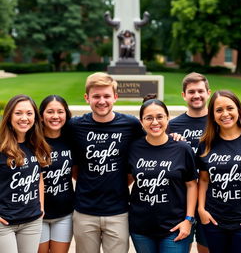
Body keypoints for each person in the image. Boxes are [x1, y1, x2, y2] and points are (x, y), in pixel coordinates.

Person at [69, 72, 144, 253]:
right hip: (84, 211)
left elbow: (151, 146)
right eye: (96, 96)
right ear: (87, 98)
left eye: (107, 96)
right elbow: (73, 165)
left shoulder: (131, 125)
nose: (102, 101)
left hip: (118, 211)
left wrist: (176, 137)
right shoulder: (75, 126)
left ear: (115, 97)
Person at [128, 94, 198, 253]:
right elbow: (126, 179)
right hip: (141, 227)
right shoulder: (133, 148)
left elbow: (192, 185)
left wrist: (189, 219)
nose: (155, 122)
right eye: (148, 118)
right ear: (141, 122)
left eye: (160, 117)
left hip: (175, 226)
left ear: (168, 119)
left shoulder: (182, 148)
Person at [197, 90, 241, 253]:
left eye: (230, 108)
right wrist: (201, 210)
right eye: (219, 110)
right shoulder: (206, 143)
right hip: (215, 222)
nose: (225, 114)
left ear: (238, 110)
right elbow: (203, 179)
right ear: (212, 115)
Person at [0, 94, 51, 253]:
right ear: (9, 116)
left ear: (35, 117)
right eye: (18, 113)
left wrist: (40, 206)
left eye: (29, 113)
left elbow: (39, 177)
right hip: (4, 223)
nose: (24, 118)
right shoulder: (1, 146)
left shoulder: (37, 144)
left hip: (32, 220)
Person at [168, 72, 210, 253]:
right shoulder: (173, 125)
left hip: (212, 199)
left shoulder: (218, 122)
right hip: (180, 199)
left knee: (206, 247)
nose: (196, 95)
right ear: (184, 95)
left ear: (208, 93)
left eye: (200, 91)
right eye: (191, 92)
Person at [38, 95, 74, 253]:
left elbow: (77, 173)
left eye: (60, 111)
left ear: (66, 114)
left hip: (64, 213)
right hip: (37, 215)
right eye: (50, 111)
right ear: (41, 115)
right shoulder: (33, 141)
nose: (55, 116)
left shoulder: (71, 140)